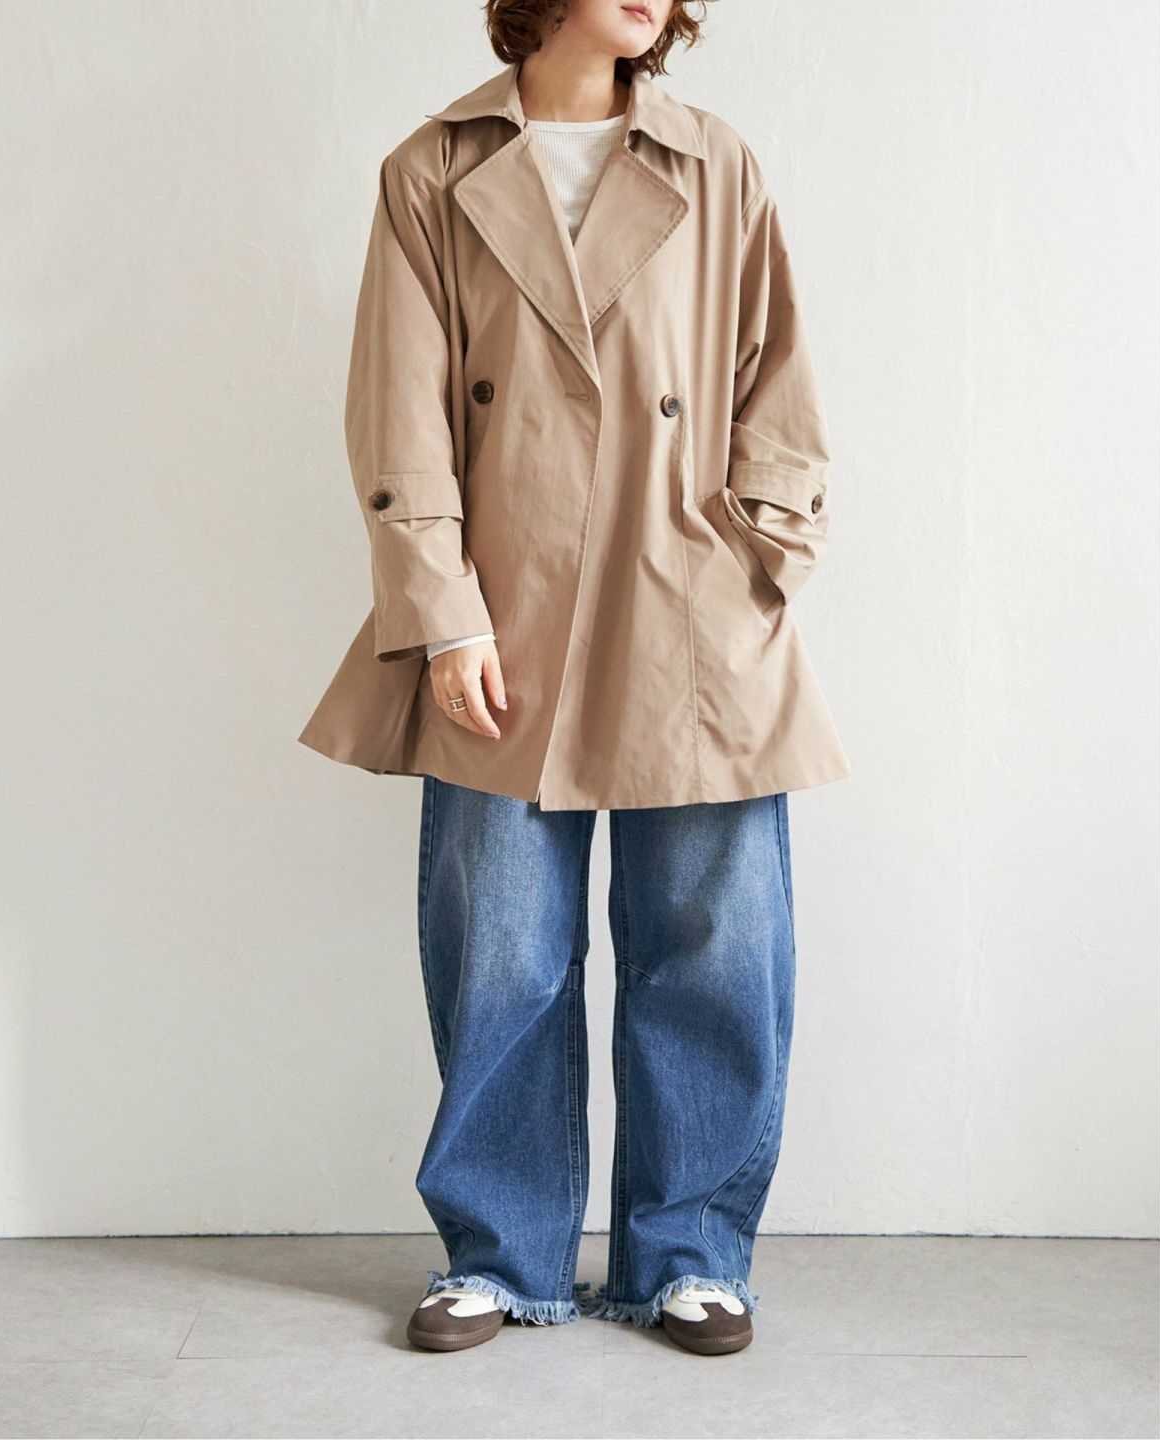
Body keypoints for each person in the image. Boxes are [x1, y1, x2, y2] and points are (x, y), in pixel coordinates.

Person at [298, 0, 850, 1356]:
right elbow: (400, 407)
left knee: (711, 947)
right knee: (502, 952)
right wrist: (444, 616)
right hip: (507, 614)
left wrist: (763, 558)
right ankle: (499, 1256)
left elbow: (778, 378)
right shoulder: (432, 169)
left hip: (691, 608)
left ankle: (692, 1254)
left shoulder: (715, 160)